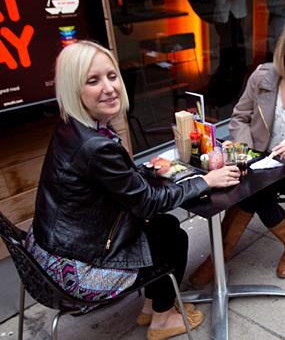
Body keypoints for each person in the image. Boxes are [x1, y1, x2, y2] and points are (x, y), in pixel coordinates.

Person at [26, 40, 241, 340]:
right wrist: (206, 180)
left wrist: (147, 171)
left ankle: (152, 307)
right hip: (74, 269)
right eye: (93, 80)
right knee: (172, 237)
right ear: (74, 89)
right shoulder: (95, 144)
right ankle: (162, 319)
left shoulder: (74, 127)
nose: (109, 87)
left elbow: (110, 181)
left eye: (112, 76)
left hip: (50, 250)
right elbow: (148, 203)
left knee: (165, 228)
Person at [190, 18, 285, 283]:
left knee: (252, 193)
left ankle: (221, 258)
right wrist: (246, 150)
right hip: (257, 158)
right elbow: (239, 117)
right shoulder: (262, 77)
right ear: (284, 50)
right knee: (249, 187)